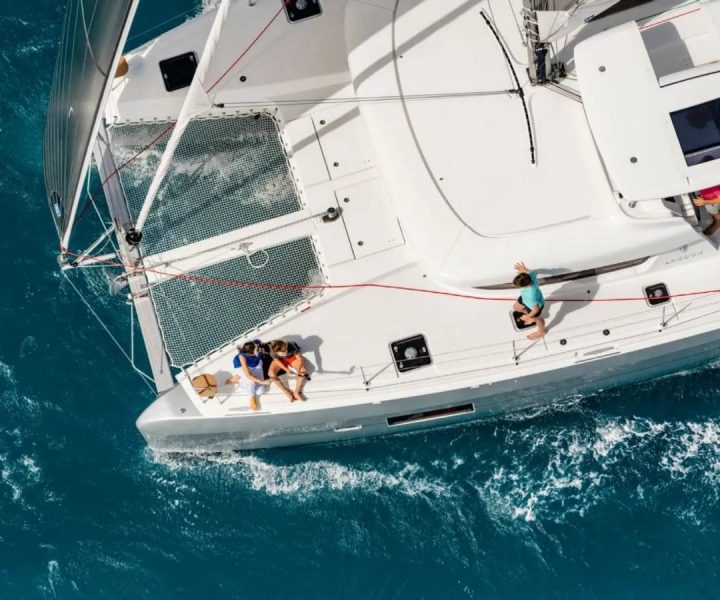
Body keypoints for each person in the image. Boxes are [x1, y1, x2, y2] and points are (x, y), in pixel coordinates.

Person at [225, 341, 269, 411]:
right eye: (256, 350)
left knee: (260, 391)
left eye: (257, 348)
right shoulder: (242, 357)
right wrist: (261, 381)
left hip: (255, 364)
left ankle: (240, 377)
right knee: (251, 381)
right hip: (241, 366)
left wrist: (263, 351)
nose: (258, 350)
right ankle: (251, 397)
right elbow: (248, 375)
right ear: (250, 352)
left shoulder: (257, 346)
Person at [512, 261, 546, 340]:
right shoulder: (530, 276)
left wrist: (527, 317)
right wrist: (525, 270)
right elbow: (533, 272)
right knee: (516, 307)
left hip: (533, 305)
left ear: (525, 286)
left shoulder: (531, 295)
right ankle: (531, 316)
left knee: (538, 319)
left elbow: (536, 309)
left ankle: (541, 331)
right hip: (525, 298)